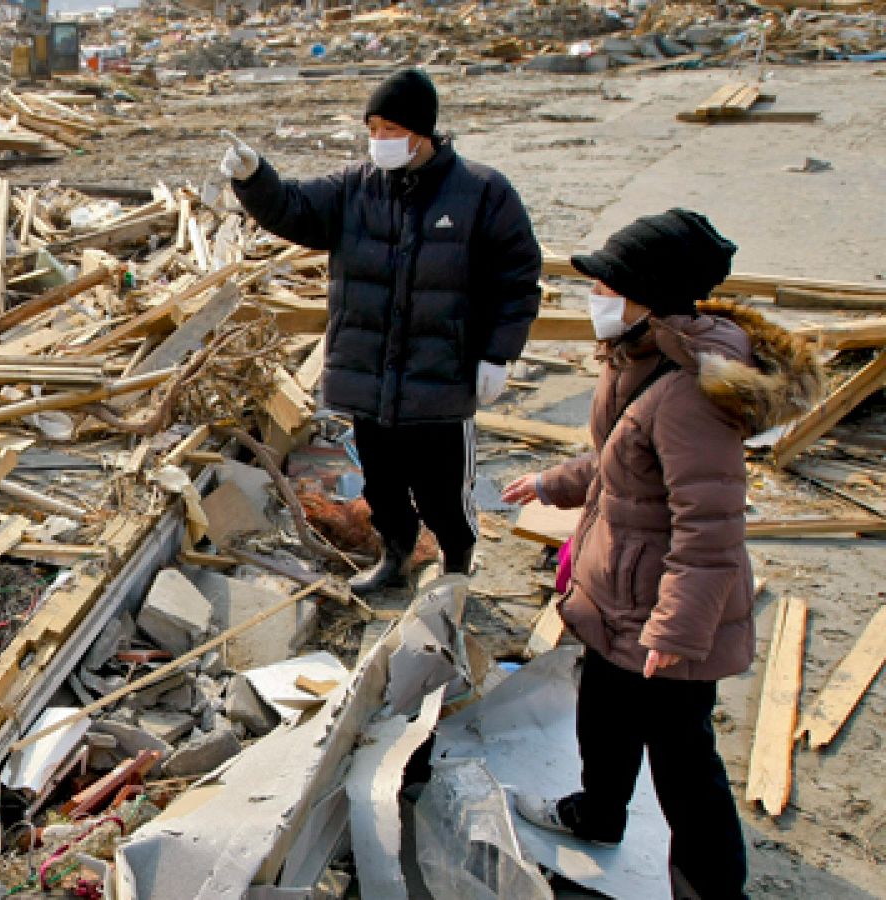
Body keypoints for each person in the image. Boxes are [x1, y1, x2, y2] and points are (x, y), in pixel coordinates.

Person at [500, 209, 823, 900]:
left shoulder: (689, 396)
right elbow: (623, 463)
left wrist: (678, 630)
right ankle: (599, 814)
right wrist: (555, 483)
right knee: (603, 722)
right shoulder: (637, 359)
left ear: (651, 295)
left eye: (609, 286)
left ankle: (710, 888)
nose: (596, 299)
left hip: (664, 618)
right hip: (618, 599)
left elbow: (710, 529)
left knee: (683, 763)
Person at [220, 68, 542, 591]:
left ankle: (456, 563)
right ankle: (394, 559)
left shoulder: (483, 192)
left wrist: (498, 353)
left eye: (391, 128)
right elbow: (294, 209)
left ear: (422, 132)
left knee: (441, 491)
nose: (380, 140)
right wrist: (255, 177)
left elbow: (518, 279)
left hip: (442, 376)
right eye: (373, 128)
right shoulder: (355, 188)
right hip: (369, 374)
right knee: (384, 484)